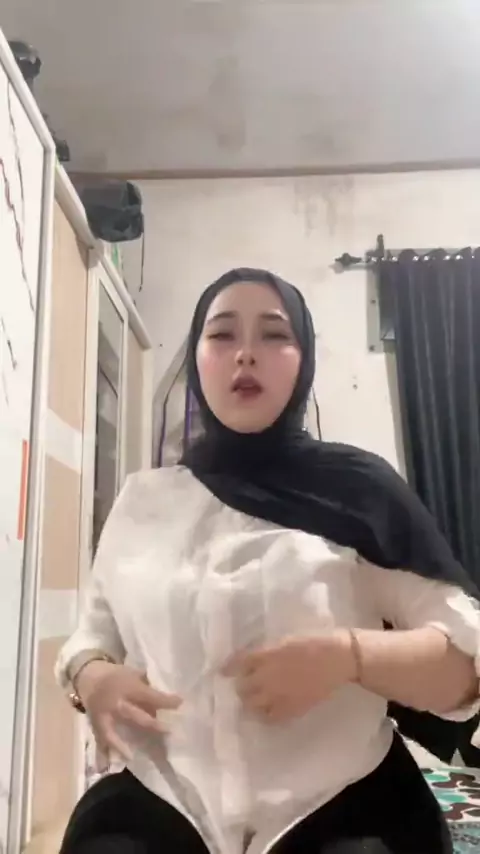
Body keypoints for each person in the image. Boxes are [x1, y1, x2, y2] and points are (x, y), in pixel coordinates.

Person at [57, 268, 480, 854]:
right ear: (197, 360)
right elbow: (92, 635)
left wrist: (349, 657)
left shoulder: (359, 490)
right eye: (222, 334)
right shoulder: (142, 501)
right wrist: (92, 675)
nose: (246, 354)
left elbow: (465, 665)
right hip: (166, 794)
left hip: (339, 797)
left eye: (274, 335)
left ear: (303, 360)